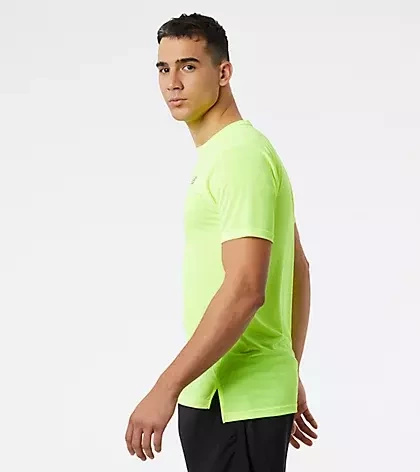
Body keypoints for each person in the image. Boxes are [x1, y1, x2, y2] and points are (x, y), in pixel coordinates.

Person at [125, 12, 318, 471]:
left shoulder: (239, 156)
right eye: (163, 68)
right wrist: (286, 368)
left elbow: (247, 287)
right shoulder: (229, 153)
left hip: (233, 402)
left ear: (224, 72)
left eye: (189, 66)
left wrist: (165, 387)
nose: (173, 82)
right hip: (227, 396)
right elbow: (298, 269)